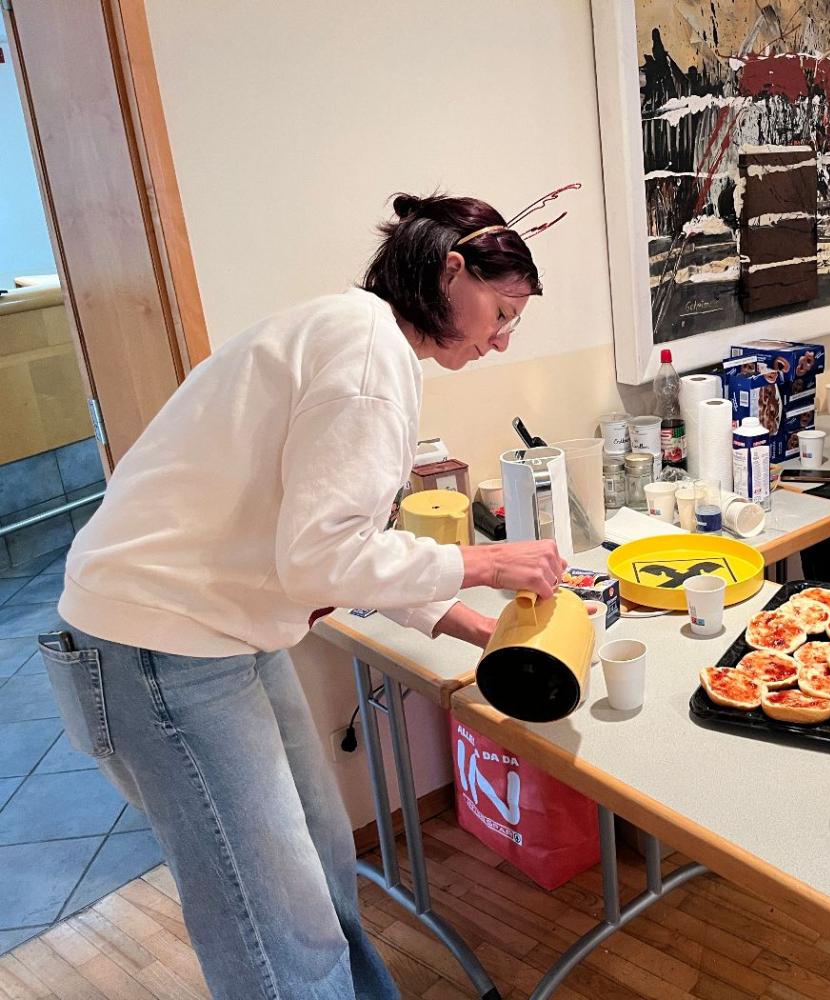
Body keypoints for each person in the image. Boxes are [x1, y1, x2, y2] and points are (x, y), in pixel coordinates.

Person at [40, 192, 567, 1000]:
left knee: (321, 855)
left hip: (220, 631)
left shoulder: (359, 336)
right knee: (272, 915)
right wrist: (487, 564)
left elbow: (343, 541)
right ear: (449, 271)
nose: (500, 340)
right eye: (500, 314)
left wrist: (476, 630)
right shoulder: (366, 356)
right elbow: (323, 559)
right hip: (154, 643)